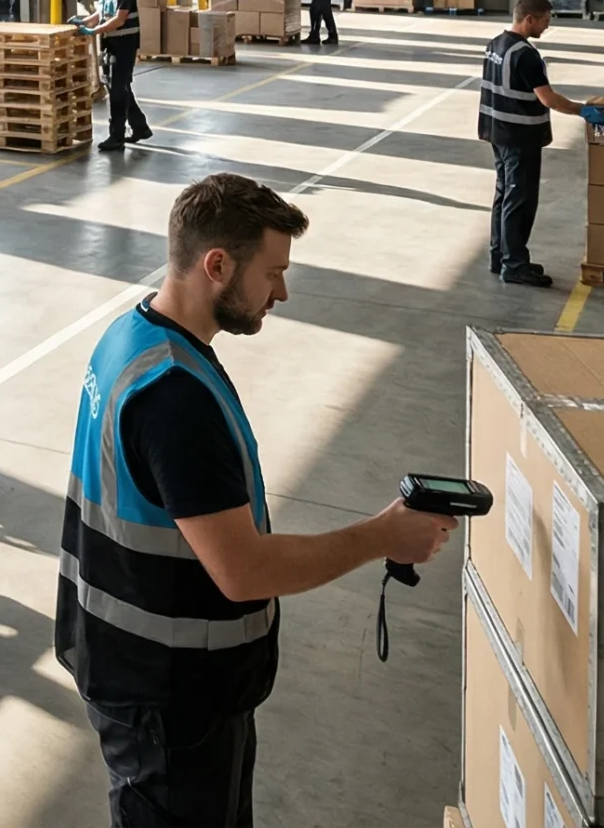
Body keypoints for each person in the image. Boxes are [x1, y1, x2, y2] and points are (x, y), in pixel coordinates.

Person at [59, 173, 458, 828]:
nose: (282, 291)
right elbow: (244, 571)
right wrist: (382, 535)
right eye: (273, 272)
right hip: (169, 703)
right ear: (217, 265)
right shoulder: (174, 397)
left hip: (142, 670)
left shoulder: (133, 338)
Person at [484, 0, 604, 288]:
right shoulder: (526, 55)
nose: (547, 25)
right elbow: (548, 98)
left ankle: (500, 255)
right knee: (520, 201)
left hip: (498, 132)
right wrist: (583, 110)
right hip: (519, 137)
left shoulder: (495, 45)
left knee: (504, 196)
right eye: (545, 19)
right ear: (529, 19)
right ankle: (515, 265)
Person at [81, 0, 152, 152]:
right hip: (109, 45)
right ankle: (140, 127)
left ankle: (116, 136)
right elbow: (101, 13)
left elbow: (120, 19)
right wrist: (85, 22)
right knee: (117, 87)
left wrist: (94, 31)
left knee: (118, 91)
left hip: (124, 45)